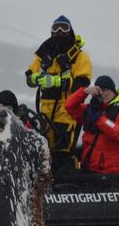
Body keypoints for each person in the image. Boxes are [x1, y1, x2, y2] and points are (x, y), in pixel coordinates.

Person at [25, 15, 92, 171]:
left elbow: (82, 84)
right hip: (46, 110)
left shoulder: (79, 57)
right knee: (46, 151)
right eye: (56, 28)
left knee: (64, 150)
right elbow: (28, 77)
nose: (60, 32)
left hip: (68, 109)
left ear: (70, 30)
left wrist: (57, 82)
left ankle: (70, 183)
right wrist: (36, 78)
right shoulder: (44, 54)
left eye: (64, 28)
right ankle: (49, 186)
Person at [65, 75, 119, 173]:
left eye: (105, 90)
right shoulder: (90, 110)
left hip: (112, 174)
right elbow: (69, 106)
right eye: (99, 90)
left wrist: (99, 119)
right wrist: (84, 92)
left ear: (113, 91)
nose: (102, 93)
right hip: (89, 171)